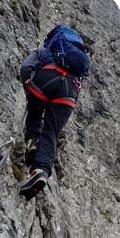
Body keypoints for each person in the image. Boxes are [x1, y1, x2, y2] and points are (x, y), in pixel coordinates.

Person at [19, 25, 92, 200]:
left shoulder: (48, 49)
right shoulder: (78, 60)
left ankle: (34, 141)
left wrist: (27, 83)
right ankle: (40, 170)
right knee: (51, 131)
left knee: (35, 112)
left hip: (46, 80)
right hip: (69, 91)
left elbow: (26, 67)